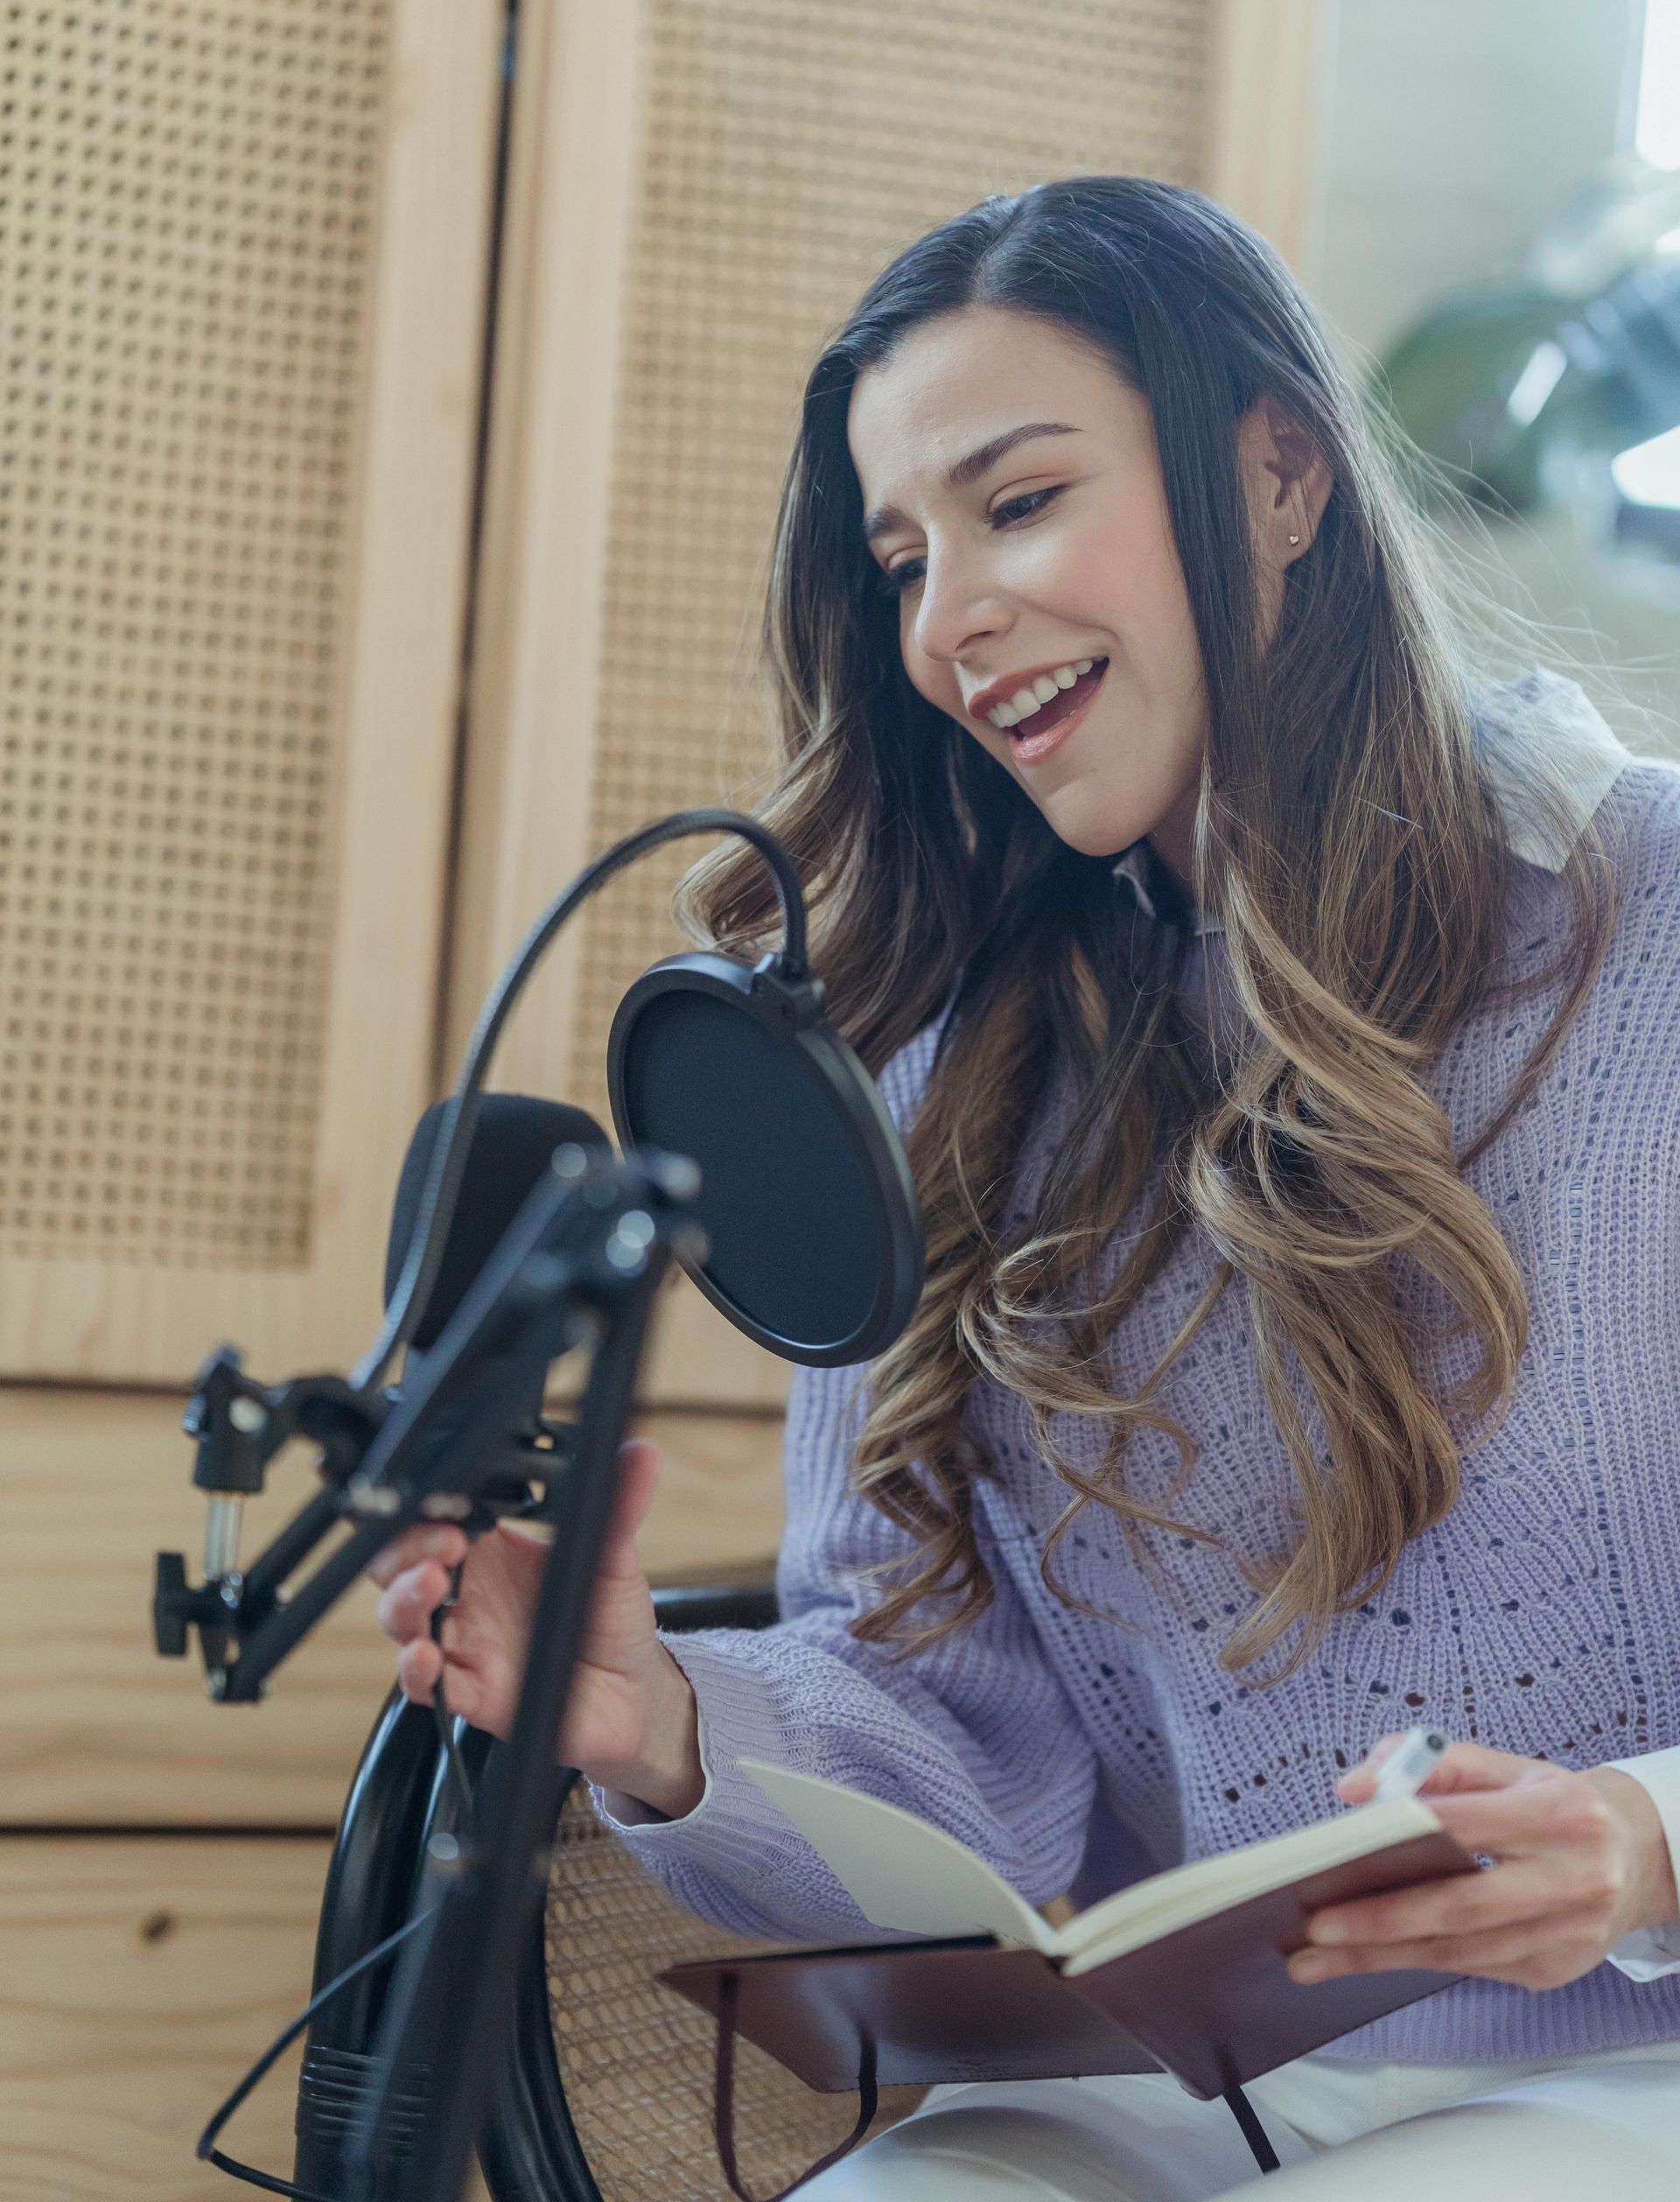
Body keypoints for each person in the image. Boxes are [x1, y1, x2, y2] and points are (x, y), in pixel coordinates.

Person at [371, 179, 1680, 2198]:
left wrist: (1650, 1839)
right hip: (1189, 2095)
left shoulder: (1650, 924)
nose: (948, 617)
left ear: (1281, 470)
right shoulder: (945, 1075)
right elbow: (961, 1748)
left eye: (1020, 501)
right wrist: (662, 1717)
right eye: (902, 558)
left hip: (1636, 2056)